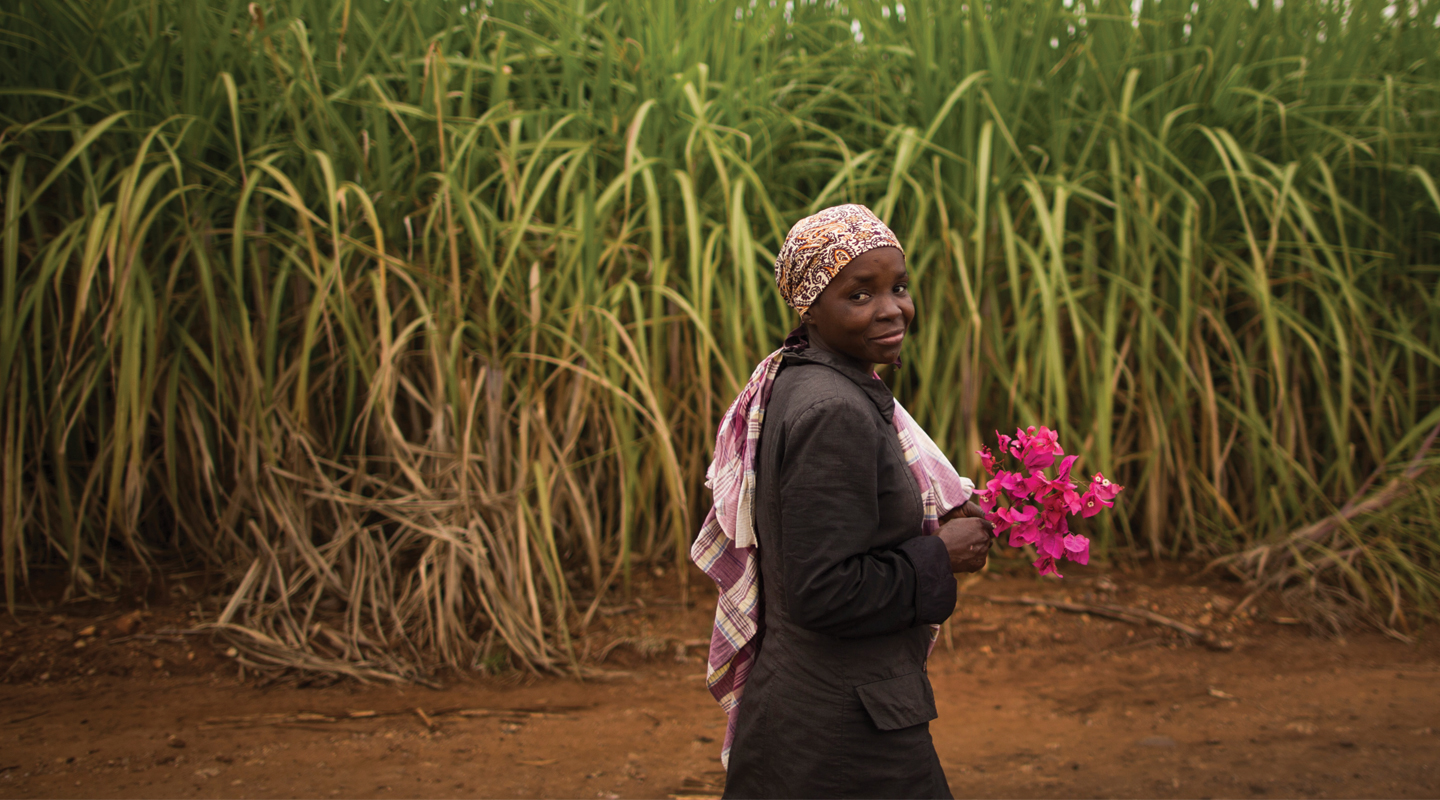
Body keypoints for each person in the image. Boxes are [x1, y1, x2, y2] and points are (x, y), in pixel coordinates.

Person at [691, 204, 995, 799]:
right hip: (841, 734)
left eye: (898, 287)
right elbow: (823, 592)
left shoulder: (806, 381)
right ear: (811, 307)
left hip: (819, 718)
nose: (892, 308)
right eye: (860, 294)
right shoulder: (832, 410)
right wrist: (940, 555)